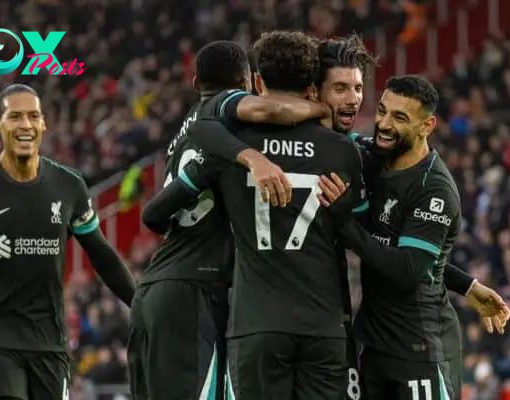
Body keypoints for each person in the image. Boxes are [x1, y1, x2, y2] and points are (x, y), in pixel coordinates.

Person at [145, 31, 366, 400]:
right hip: (324, 322)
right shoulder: (344, 151)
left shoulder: (231, 143)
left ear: (258, 83)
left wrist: (250, 157)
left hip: (256, 323)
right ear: (312, 87)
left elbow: (156, 210)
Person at [0, 84, 136, 400]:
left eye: (33, 116)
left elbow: (101, 254)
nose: (25, 125)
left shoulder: (69, 185)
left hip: (49, 338)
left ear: (44, 123)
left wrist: (140, 306)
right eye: (14, 116)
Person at [318, 75, 510, 399]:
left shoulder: (435, 189)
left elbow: (407, 268)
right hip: (373, 342)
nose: (384, 123)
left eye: (400, 117)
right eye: (382, 111)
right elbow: (402, 247)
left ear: (427, 126)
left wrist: (344, 222)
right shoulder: (376, 159)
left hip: (419, 349)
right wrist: (467, 284)